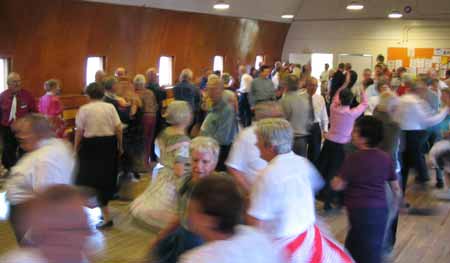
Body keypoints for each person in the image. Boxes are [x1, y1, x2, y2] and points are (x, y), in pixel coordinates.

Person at [247, 118, 352, 263]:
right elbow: (314, 188)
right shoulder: (303, 162)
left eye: (258, 140)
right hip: (309, 235)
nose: (255, 144)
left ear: (270, 146)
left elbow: (256, 221)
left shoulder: (267, 175)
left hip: (284, 245)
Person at [332, 116, 402, 263]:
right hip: (380, 210)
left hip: (360, 210)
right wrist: (395, 207)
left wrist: (333, 180)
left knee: (357, 247)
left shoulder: (353, 158)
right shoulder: (385, 158)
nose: (352, 133)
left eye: (356, 131)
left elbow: (338, 185)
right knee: (372, 245)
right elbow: (396, 188)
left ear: (364, 138)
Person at [149, 136, 224, 263]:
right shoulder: (186, 181)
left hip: (204, 243)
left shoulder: (220, 188)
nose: (198, 166)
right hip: (184, 235)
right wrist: (160, 236)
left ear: (215, 162)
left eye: (205, 162)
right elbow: (181, 215)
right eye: (195, 160)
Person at [6, 114, 75, 243]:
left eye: (25, 132)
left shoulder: (44, 159)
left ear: (39, 133)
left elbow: (47, 198)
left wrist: (31, 236)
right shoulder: (58, 144)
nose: (19, 136)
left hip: (27, 213)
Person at [179, 176, 280, 263]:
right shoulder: (258, 237)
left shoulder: (198, 259)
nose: (188, 215)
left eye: (192, 210)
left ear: (209, 221)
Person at [130, 101, 192, 229]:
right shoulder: (182, 140)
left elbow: (158, 153)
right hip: (175, 181)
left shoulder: (165, 132)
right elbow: (179, 169)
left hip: (162, 175)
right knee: (176, 218)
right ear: (185, 116)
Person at [74, 82, 123, 229]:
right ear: (102, 93)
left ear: (88, 95)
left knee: (86, 178)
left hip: (90, 146)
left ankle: (80, 215)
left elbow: (79, 131)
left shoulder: (84, 109)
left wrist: (75, 148)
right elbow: (118, 128)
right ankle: (106, 215)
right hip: (109, 144)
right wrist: (120, 146)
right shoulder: (110, 107)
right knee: (105, 179)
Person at [0, 185, 91, 263]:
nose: (88, 234)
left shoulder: (77, 257)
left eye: (85, 227)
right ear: (43, 231)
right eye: (75, 229)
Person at [318, 73, 368, 211]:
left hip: (329, 143)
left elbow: (335, 96)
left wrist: (345, 84)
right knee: (340, 172)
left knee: (328, 171)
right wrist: (362, 87)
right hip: (342, 146)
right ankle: (339, 200)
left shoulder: (333, 109)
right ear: (351, 100)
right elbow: (365, 103)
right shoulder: (352, 113)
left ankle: (327, 200)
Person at [393, 78, 449, 194]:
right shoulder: (414, 102)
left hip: (403, 134)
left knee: (405, 166)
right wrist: (444, 111)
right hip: (412, 135)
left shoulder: (403, 99)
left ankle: (402, 193)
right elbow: (427, 120)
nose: (424, 92)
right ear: (417, 90)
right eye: (422, 89)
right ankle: (422, 178)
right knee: (415, 163)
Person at [226, 101, 284, 192]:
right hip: (254, 194)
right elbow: (233, 168)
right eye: (278, 117)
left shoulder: (282, 135)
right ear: (264, 120)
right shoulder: (246, 136)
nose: (283, 120)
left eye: (281, 117)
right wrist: (251, 193)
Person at [200, 75, 238, 171]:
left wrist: (204, 140)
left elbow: (223, 139)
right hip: (209, 147)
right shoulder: (212, 104)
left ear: (221, 90)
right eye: (209, 90)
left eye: (214, 90)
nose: (211, 93)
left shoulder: (226, 109)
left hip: (219, 150)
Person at [0, 72, 35, 172]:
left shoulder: (27, 95)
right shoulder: (2, 96)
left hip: (23, 129)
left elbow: (33, 112)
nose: (17, 84)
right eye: (14, 82)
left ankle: (22, 169)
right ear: (8, 83)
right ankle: (10, 170)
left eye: (19, 81)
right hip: (7, 128)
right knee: (8, 150)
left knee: (24, 150)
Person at [279, 74, 312, 157]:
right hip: (302, 140)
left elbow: (281, 123)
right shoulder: (305, 99)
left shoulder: (284, 101)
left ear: (285, 85)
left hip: (288, 140)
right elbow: (310, 120)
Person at [134, 74, 158, 167]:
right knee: (149, 140)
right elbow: (156, 106)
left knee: (141, 141)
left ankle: (140, 163)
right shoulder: (150, 92)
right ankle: (146, 162)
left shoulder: (136, 94)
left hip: (143, 118)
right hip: (153, 117)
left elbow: (138, 109)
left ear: (136, 84)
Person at [306, 77, 329, 166]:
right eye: (312, 85)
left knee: (315, 153)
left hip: (315, 126)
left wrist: (325, 129)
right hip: (303, 126)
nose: (314, 88)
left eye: (316, 86)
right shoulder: (300, 97)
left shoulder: (320, 98)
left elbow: (324, 115)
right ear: (307, 85)